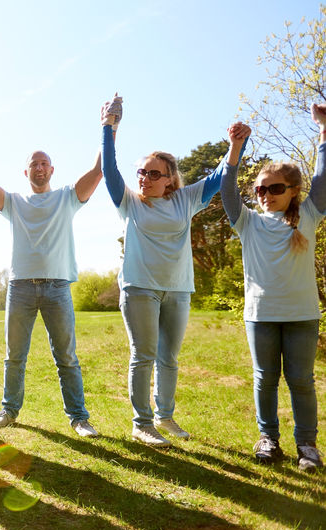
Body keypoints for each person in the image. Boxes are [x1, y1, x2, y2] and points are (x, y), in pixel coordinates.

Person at [101, 95, 248, 447]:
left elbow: (219, 177)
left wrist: (236, 145)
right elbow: (109, 170)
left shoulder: (185, 199)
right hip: (140, 289)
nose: (145, 178)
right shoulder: (130, 202)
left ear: (170, 180)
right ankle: (142, 423)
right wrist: (109, 127)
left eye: (154, 174)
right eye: (142, 172)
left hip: (178, 289)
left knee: (169, 358)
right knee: (144, 355)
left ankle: (165, 416)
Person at [219, 104, 325, 472]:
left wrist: (323, 130)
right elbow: (228, 190)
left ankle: (307, 447)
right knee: (265, 380)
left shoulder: (308, 215)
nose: (265, 194)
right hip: (261, 316)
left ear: (293, 191)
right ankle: (269, 439)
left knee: (300, 381)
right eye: (261, 189)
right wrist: (236, 148)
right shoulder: (249, 223)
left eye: (274, 188)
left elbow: (323, 178)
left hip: (301, 315)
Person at [0, 141, 104, 437]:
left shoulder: (66, 197)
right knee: (14, 355)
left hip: (57, 287)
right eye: (33, 164)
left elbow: (99, 171)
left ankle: (79, 418)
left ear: (51, 170)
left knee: (66, 357)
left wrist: (109, 128)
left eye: (43, 163)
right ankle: (9, 410)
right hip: (20, 287)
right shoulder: (14, 202)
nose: (39, 167)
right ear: (26, 171)